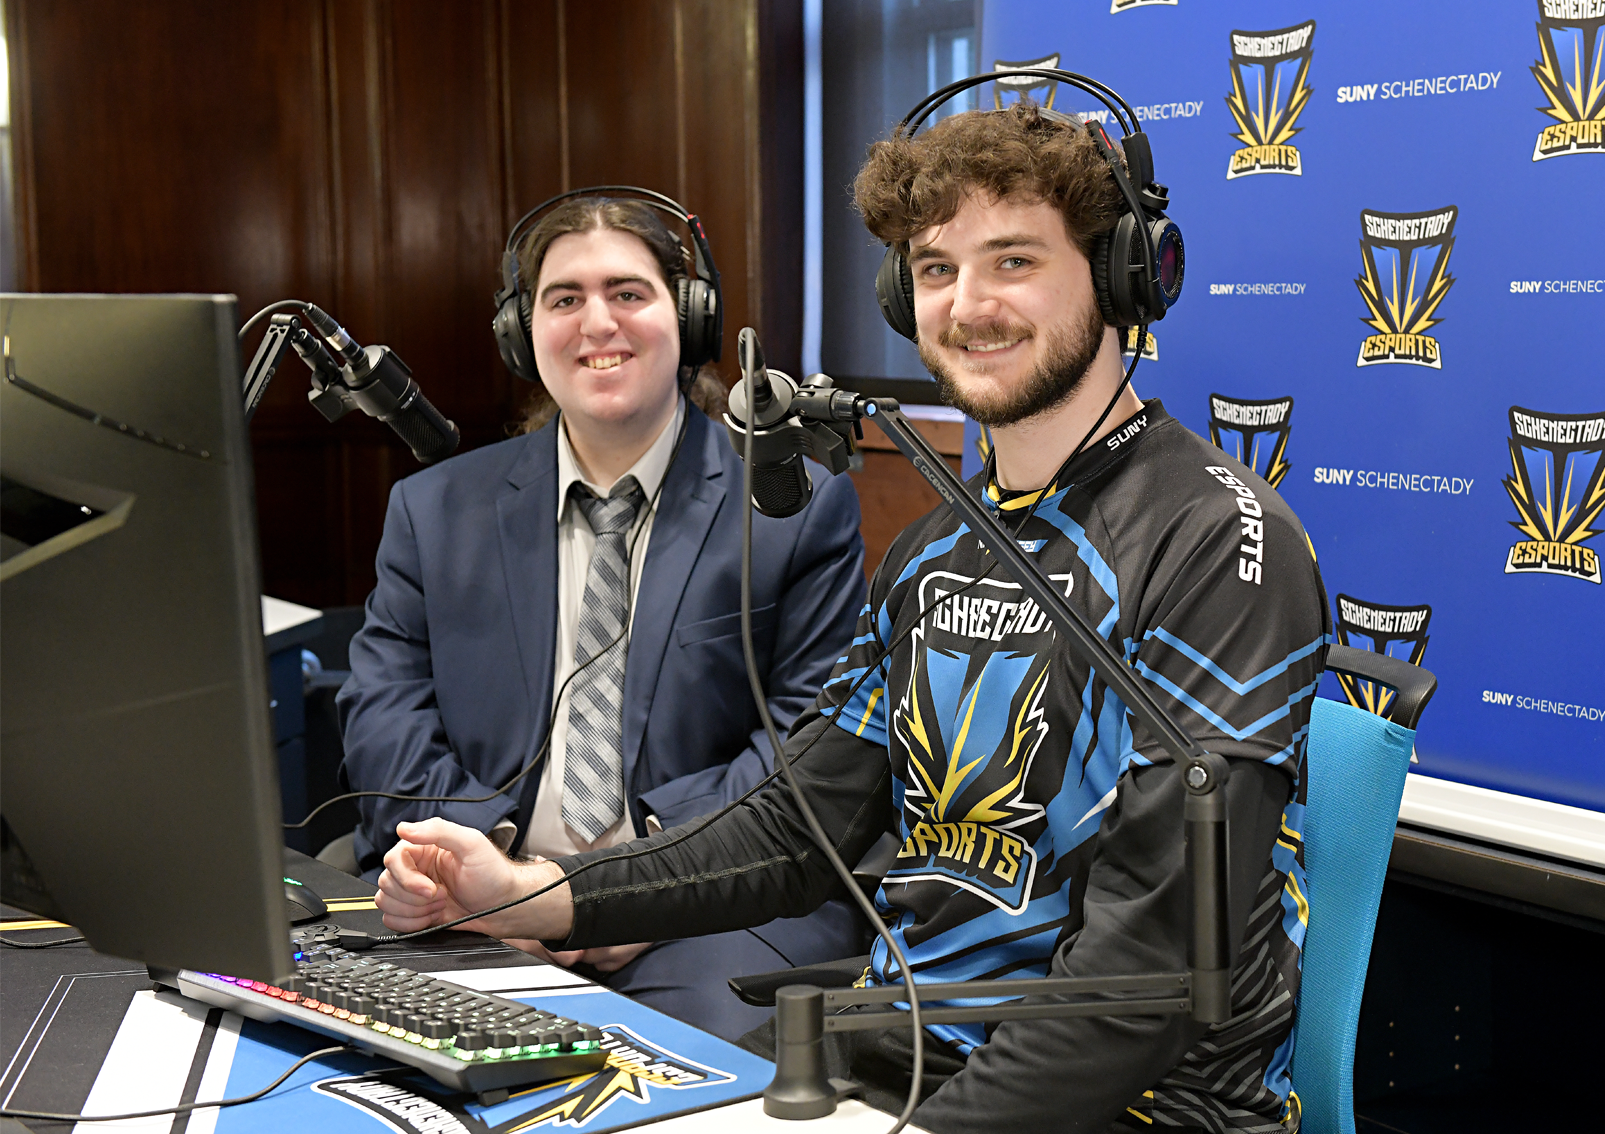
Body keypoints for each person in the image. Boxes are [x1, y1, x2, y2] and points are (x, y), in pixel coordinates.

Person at [374, 108, 1329, 1133]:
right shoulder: (934, 552)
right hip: (903, 1062)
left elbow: (1154, 962)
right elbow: (800, 824)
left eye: (1013, 260)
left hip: (1131, 1108)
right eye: (933, 270)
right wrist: (531, 891)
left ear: (1123, 275)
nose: (968, 305)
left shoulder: (1220, 541)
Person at [337, 192, 870, 1040]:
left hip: (716, 910)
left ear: (689, 321)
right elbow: (384, 715)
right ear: (523, 332)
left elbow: (809, 742)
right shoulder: (432, 511)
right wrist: (495, 881)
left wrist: (622, 892)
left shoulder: (792, 507)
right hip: (477, 894)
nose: (598, 324)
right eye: (564, 298)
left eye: (628, 293)